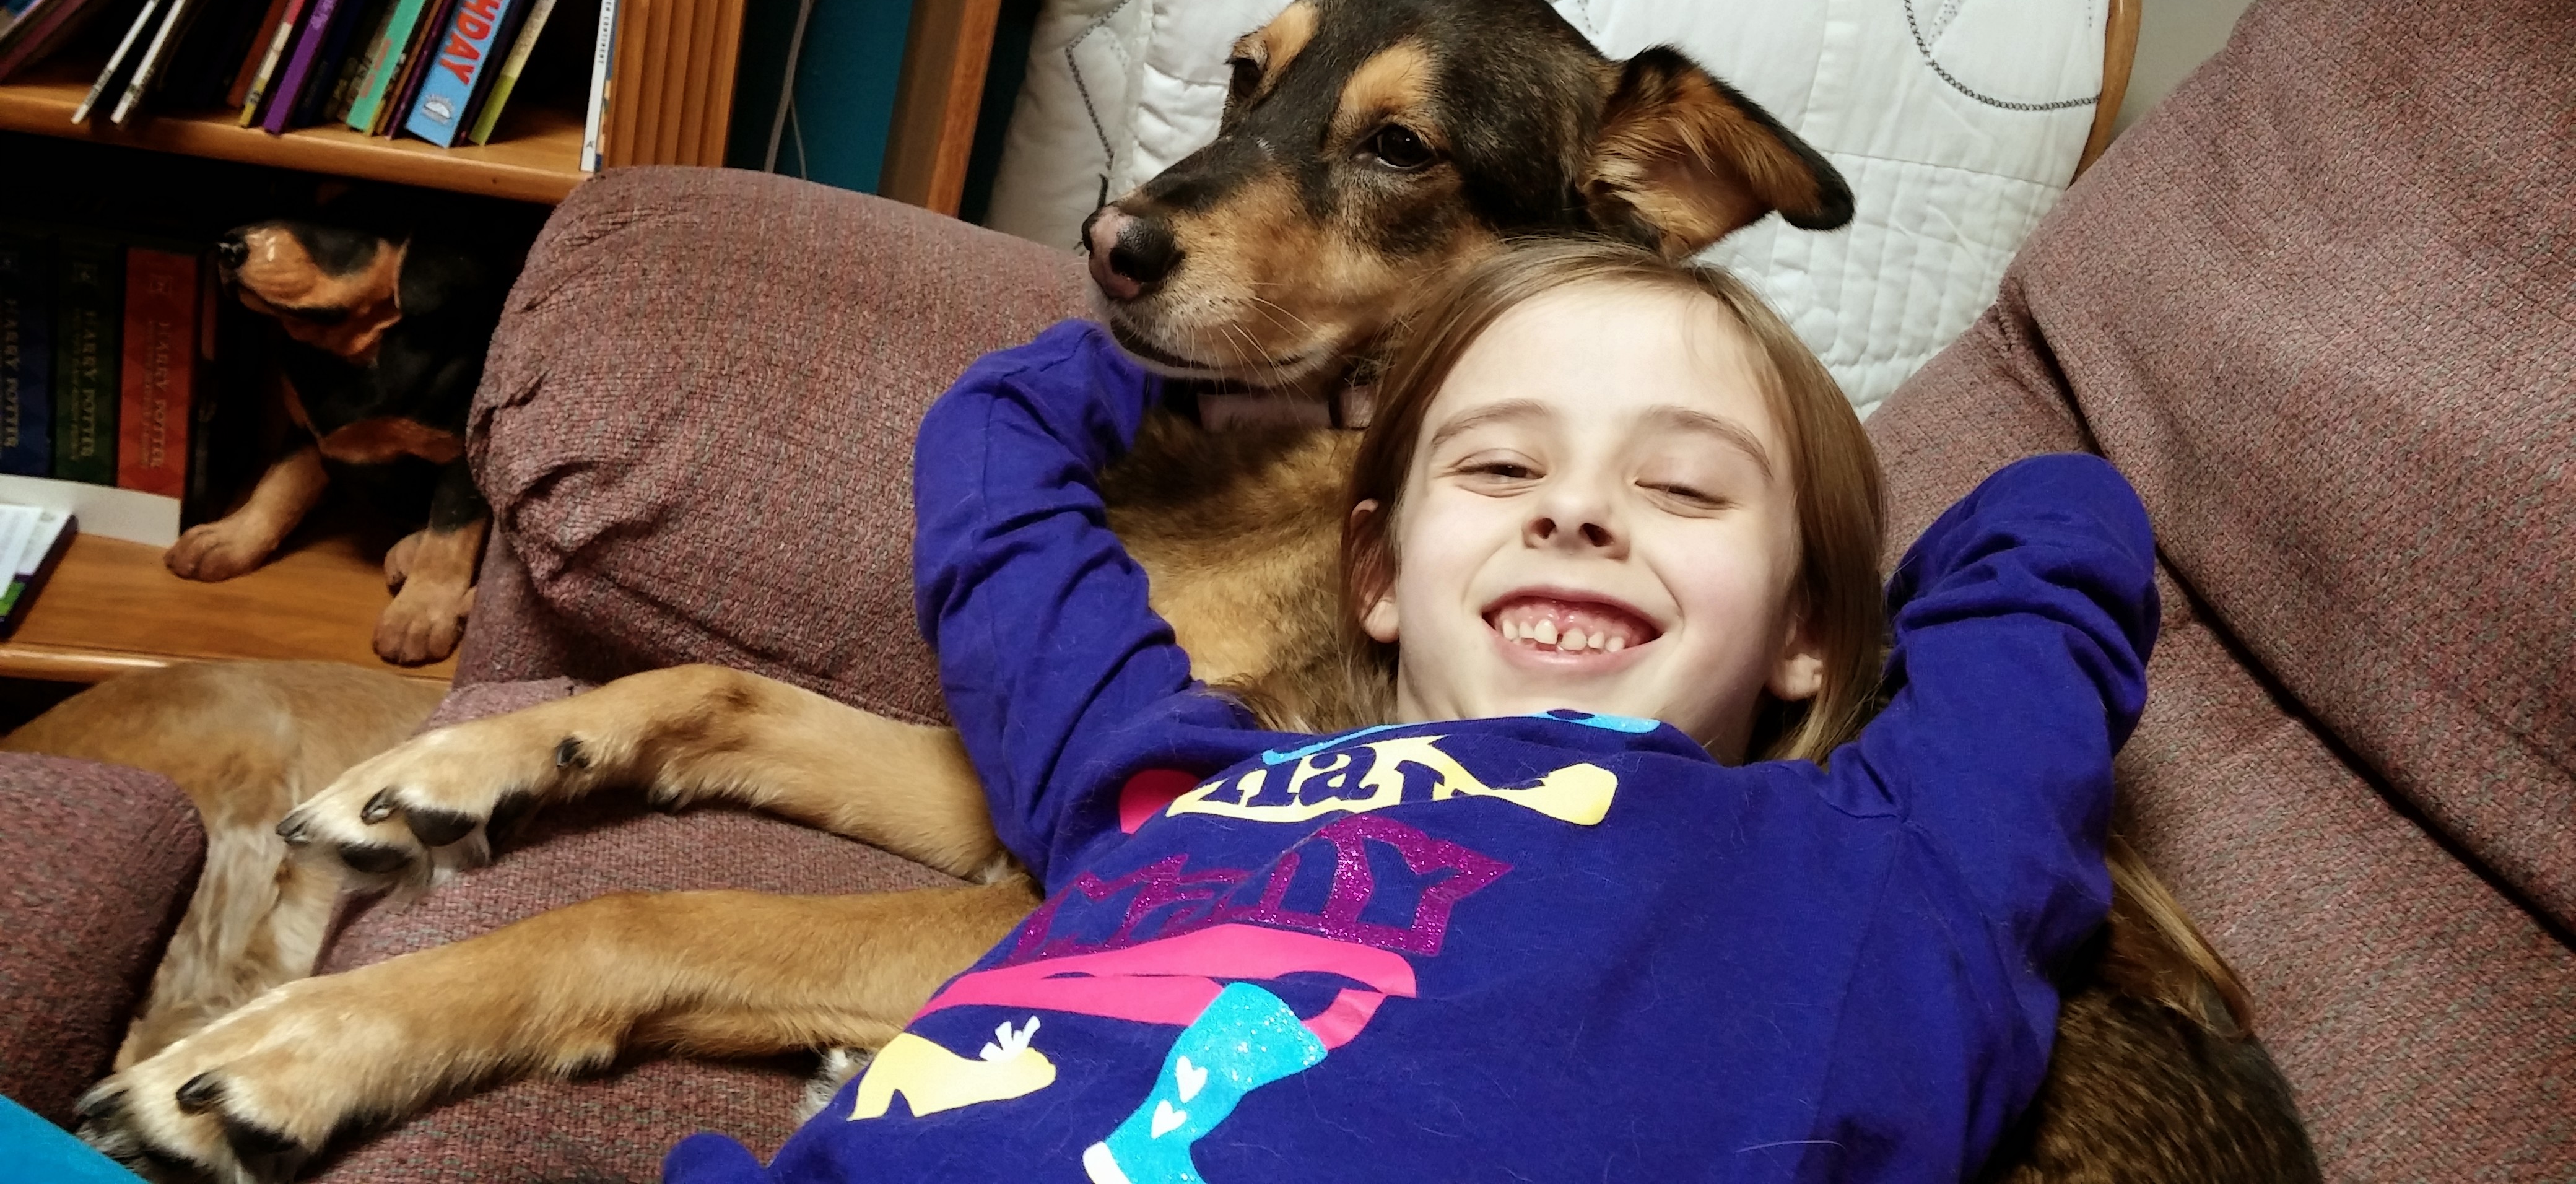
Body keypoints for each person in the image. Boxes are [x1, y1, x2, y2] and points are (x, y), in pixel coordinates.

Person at [666, 238, 2158, 1183]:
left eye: (1683, 485)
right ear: (1377, 575)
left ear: (1811, 632)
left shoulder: (1873, 867)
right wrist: (1187, 381)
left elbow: (2063, 518)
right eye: (1500, 468)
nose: (1576, 508)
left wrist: (1832, 611)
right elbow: (995, 490)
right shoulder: (1173, 785)